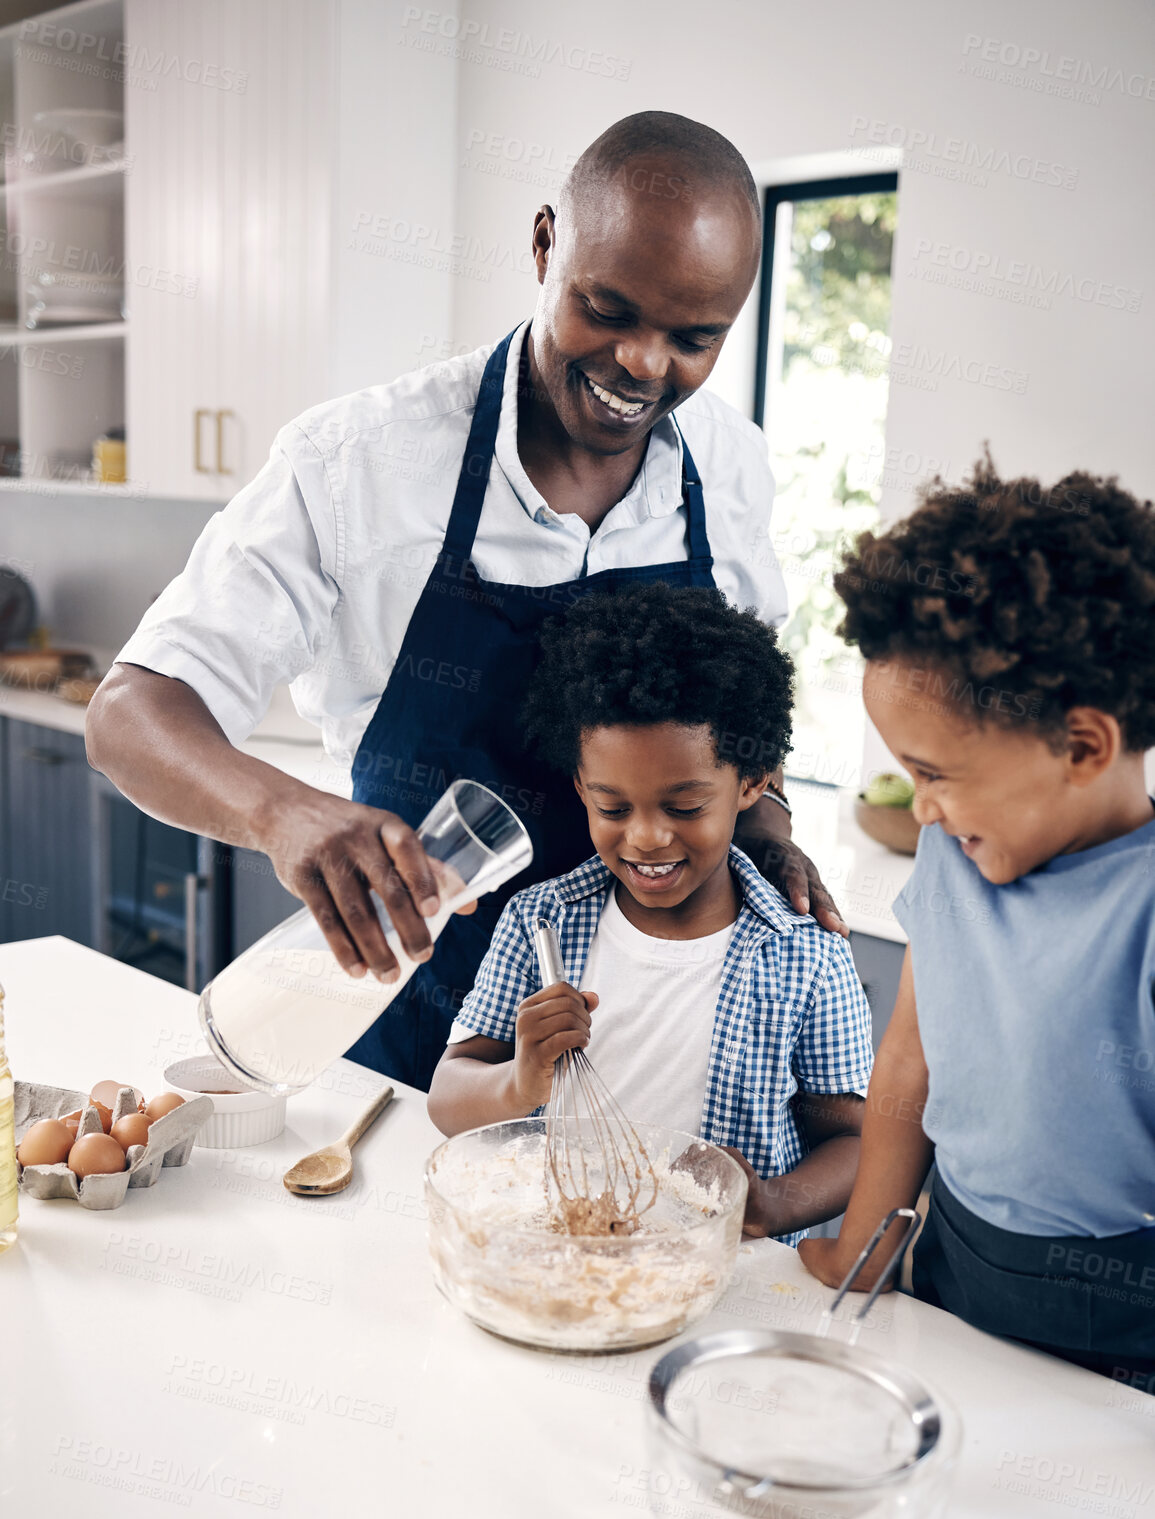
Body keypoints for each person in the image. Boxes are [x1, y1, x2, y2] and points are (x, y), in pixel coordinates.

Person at [85, 110, 846, 1094]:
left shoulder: (730, 466)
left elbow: (745, 707)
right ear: (543, 244)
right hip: (412, 1030)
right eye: (608, 309)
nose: (645, 365)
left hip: (654, 1035)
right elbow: (129, 715)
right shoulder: (361, 460)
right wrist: (285, 815)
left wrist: (767, 818)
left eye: (693, 338)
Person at [800, 457, 1155, 1382]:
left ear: (1082, 745)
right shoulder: (953, 852)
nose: (919, 808)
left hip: (1116, 1338)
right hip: (949, 1272)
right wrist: (862, 1248)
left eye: (937, 774)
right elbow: (912, 1058)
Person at [428, 585, 873, 1242]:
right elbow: (447, 1095)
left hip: (729, 1273)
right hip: (567, 1248)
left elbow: (858, 1139)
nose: (644, 837)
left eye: (684, 808)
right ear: (580, 785)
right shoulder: (539, 920)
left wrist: (776, 1201)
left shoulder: (806, 953)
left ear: (751, 782)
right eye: (612, 808)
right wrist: (518, 1082)